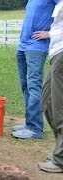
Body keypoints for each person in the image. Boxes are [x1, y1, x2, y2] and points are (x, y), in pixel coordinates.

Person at [11, 0, 60, 139]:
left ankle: (35, 128)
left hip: (37, 47)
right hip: (23, 45)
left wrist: (50, 33)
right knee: (25, 85)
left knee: (34, 86)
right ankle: (29, 123)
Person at [38, 0, 63, 173]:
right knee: (47, 102)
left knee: (59, 108)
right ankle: (59, 149)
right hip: (55, 54)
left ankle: (60, 159)